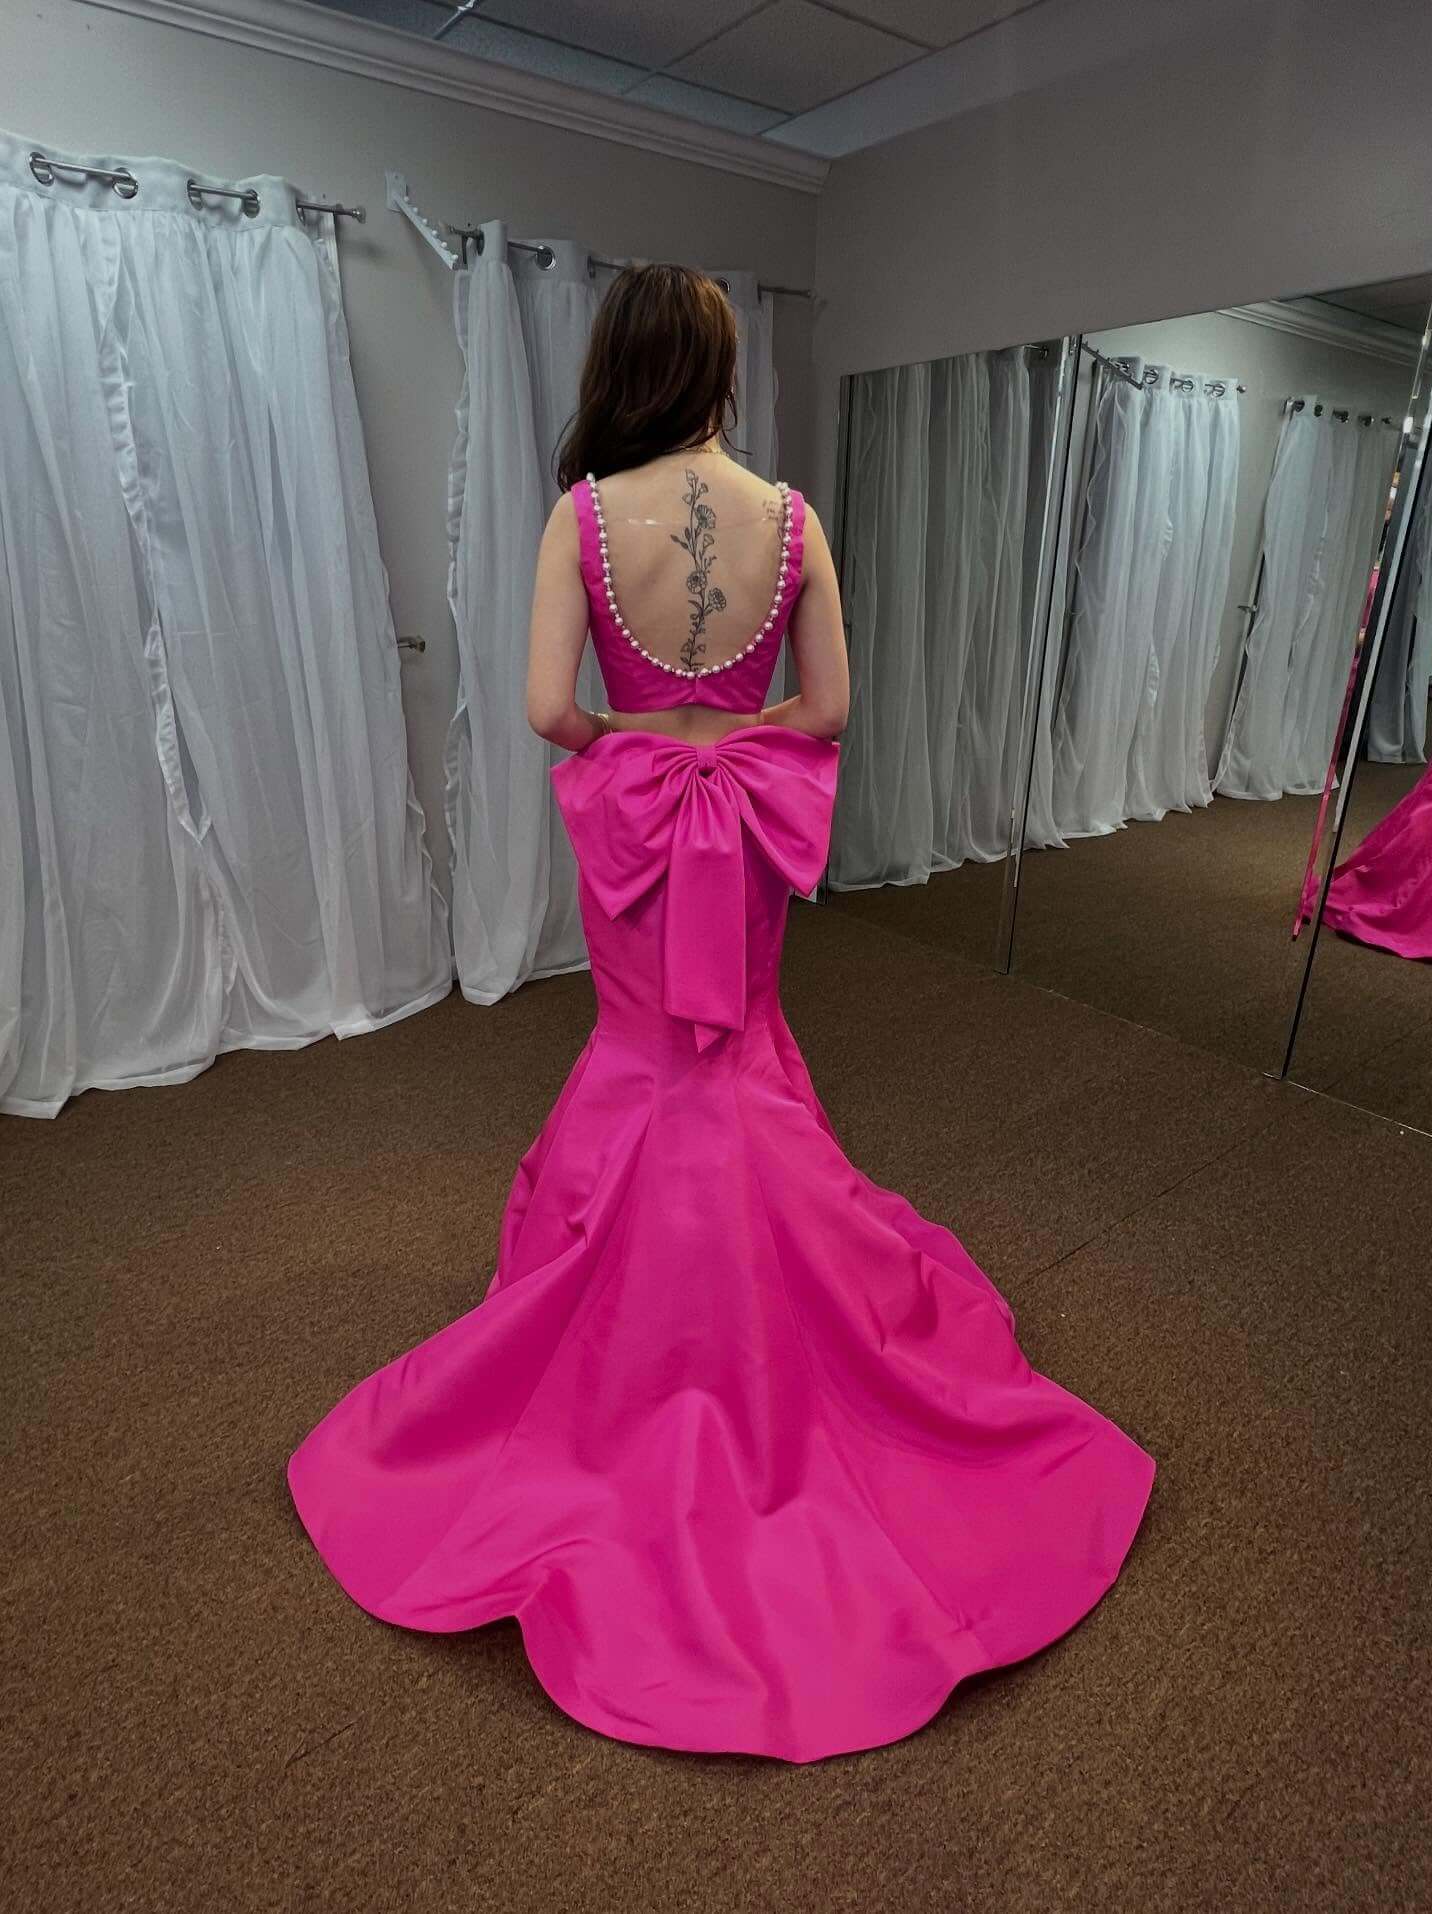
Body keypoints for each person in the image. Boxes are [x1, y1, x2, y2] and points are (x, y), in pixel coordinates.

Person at [288, 265, 1155, 1764]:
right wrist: (728, 740)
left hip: (632, 817)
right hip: (748, 817)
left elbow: (551, 708)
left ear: (624, 366)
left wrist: (651, 739)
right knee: (738, 1047)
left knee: (643, 1053)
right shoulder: (794, 520)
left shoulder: (585, 518)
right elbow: (826, 713)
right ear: (721, 371)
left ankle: (632, 1364)